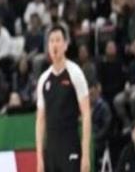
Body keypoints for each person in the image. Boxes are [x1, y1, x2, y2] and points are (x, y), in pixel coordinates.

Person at [36, 25, 91, 172]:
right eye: (51, 41)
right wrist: (39, 158)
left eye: (58, 40)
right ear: (48, 47)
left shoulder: (75, 73)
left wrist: (86, 155)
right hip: (51, 151)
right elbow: (40, 120)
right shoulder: (43, 79)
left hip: (70, 146)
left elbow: (86, 114)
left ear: (65, 45)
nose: (55, 44)